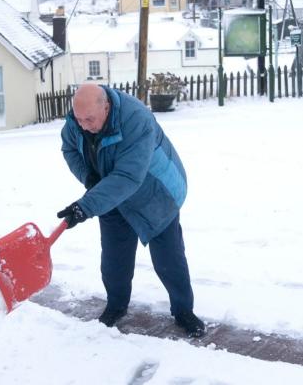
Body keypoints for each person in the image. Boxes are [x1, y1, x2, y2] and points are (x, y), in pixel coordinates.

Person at [58, 83, 205, 338]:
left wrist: (86, 206)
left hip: (155, 192)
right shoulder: (77, 120)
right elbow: (69, 149)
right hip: (110, 193)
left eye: (89, 119)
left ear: (106, 107)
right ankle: (116, 305)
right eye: (79, 119)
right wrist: (91, 179)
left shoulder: (136, 120)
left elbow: (128, 176)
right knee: (114, 258)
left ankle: (184, 311)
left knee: (168, 258)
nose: (83, 125)